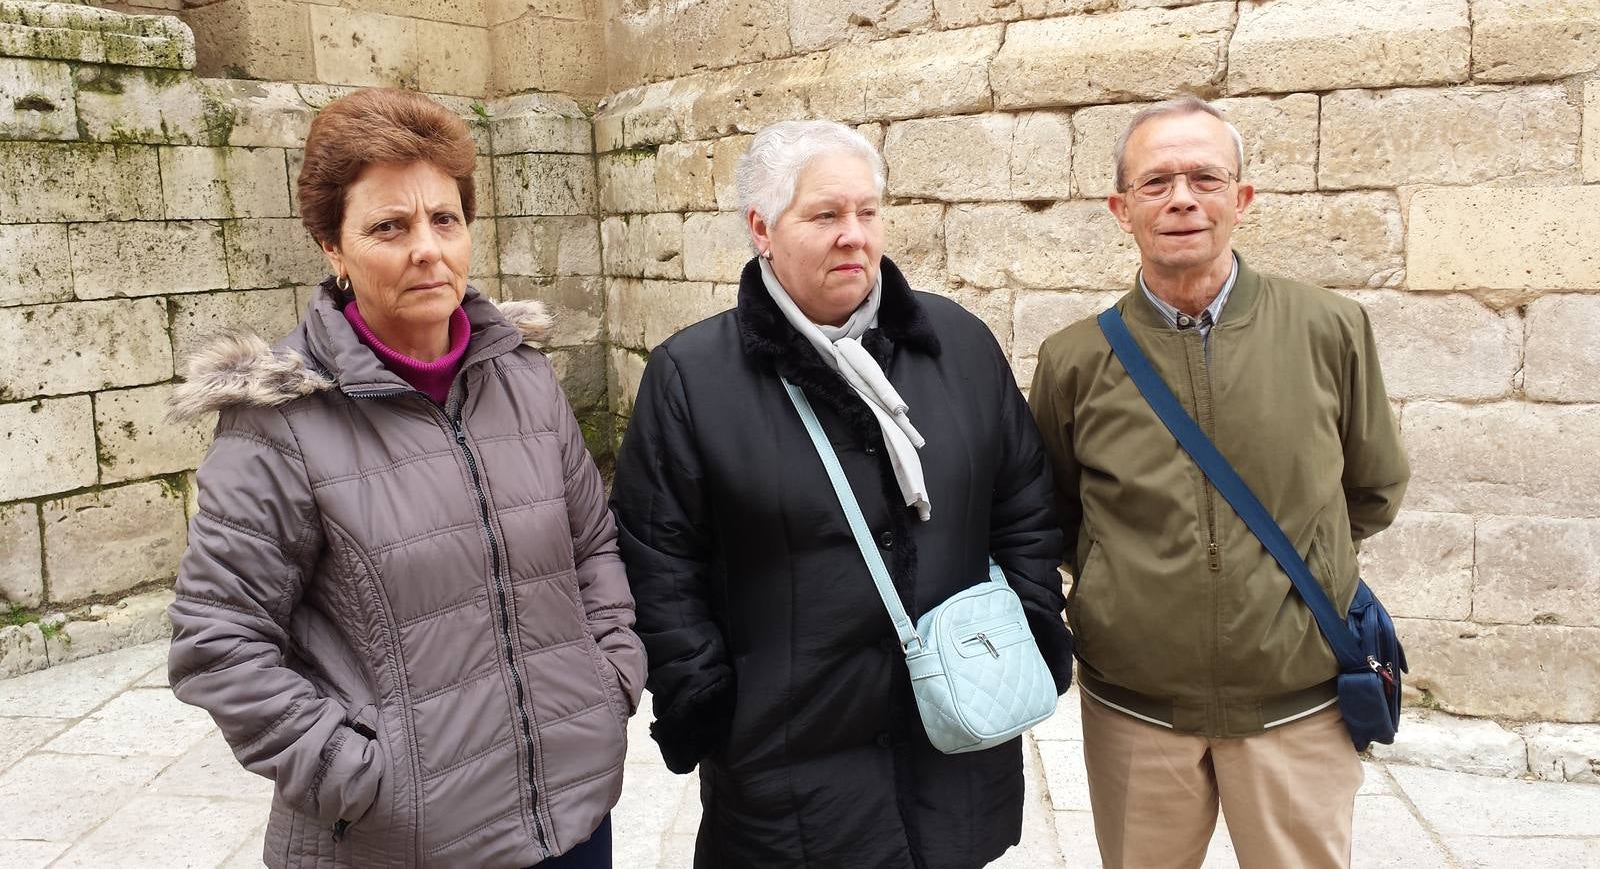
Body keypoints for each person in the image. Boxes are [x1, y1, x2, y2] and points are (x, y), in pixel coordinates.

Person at [166, 88, 642, 869]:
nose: (426, 248)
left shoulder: (523, 380)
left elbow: (591, 548)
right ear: (333, 247)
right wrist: (362, 778)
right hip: (401, 843)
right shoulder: (281, 424)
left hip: (571, 819)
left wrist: (607, 680)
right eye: (389, 226)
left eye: (444, 219)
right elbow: (218, 640)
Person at [610, 119, 1075, 868]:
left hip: (953, 744)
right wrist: (706, 699)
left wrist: (1030, 621)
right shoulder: (693, 378)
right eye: (825, 214)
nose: (853, 235)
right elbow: (659, 562)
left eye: (867, 211)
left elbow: (1022, 501)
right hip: (785, 763)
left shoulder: (957, 343)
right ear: (762, 229)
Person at [1028, 96, 1410, 868]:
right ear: (1121, 209)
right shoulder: (1075, 360)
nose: (1182, 199)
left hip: (1296, 703)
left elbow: (1372, 488)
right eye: (1156, 182)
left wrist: (1290, 581)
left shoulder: (1329, 328)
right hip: (1136, 710)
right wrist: (1125, 591)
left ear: (1241, 198)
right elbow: (1057, 514)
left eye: (1205, 178)